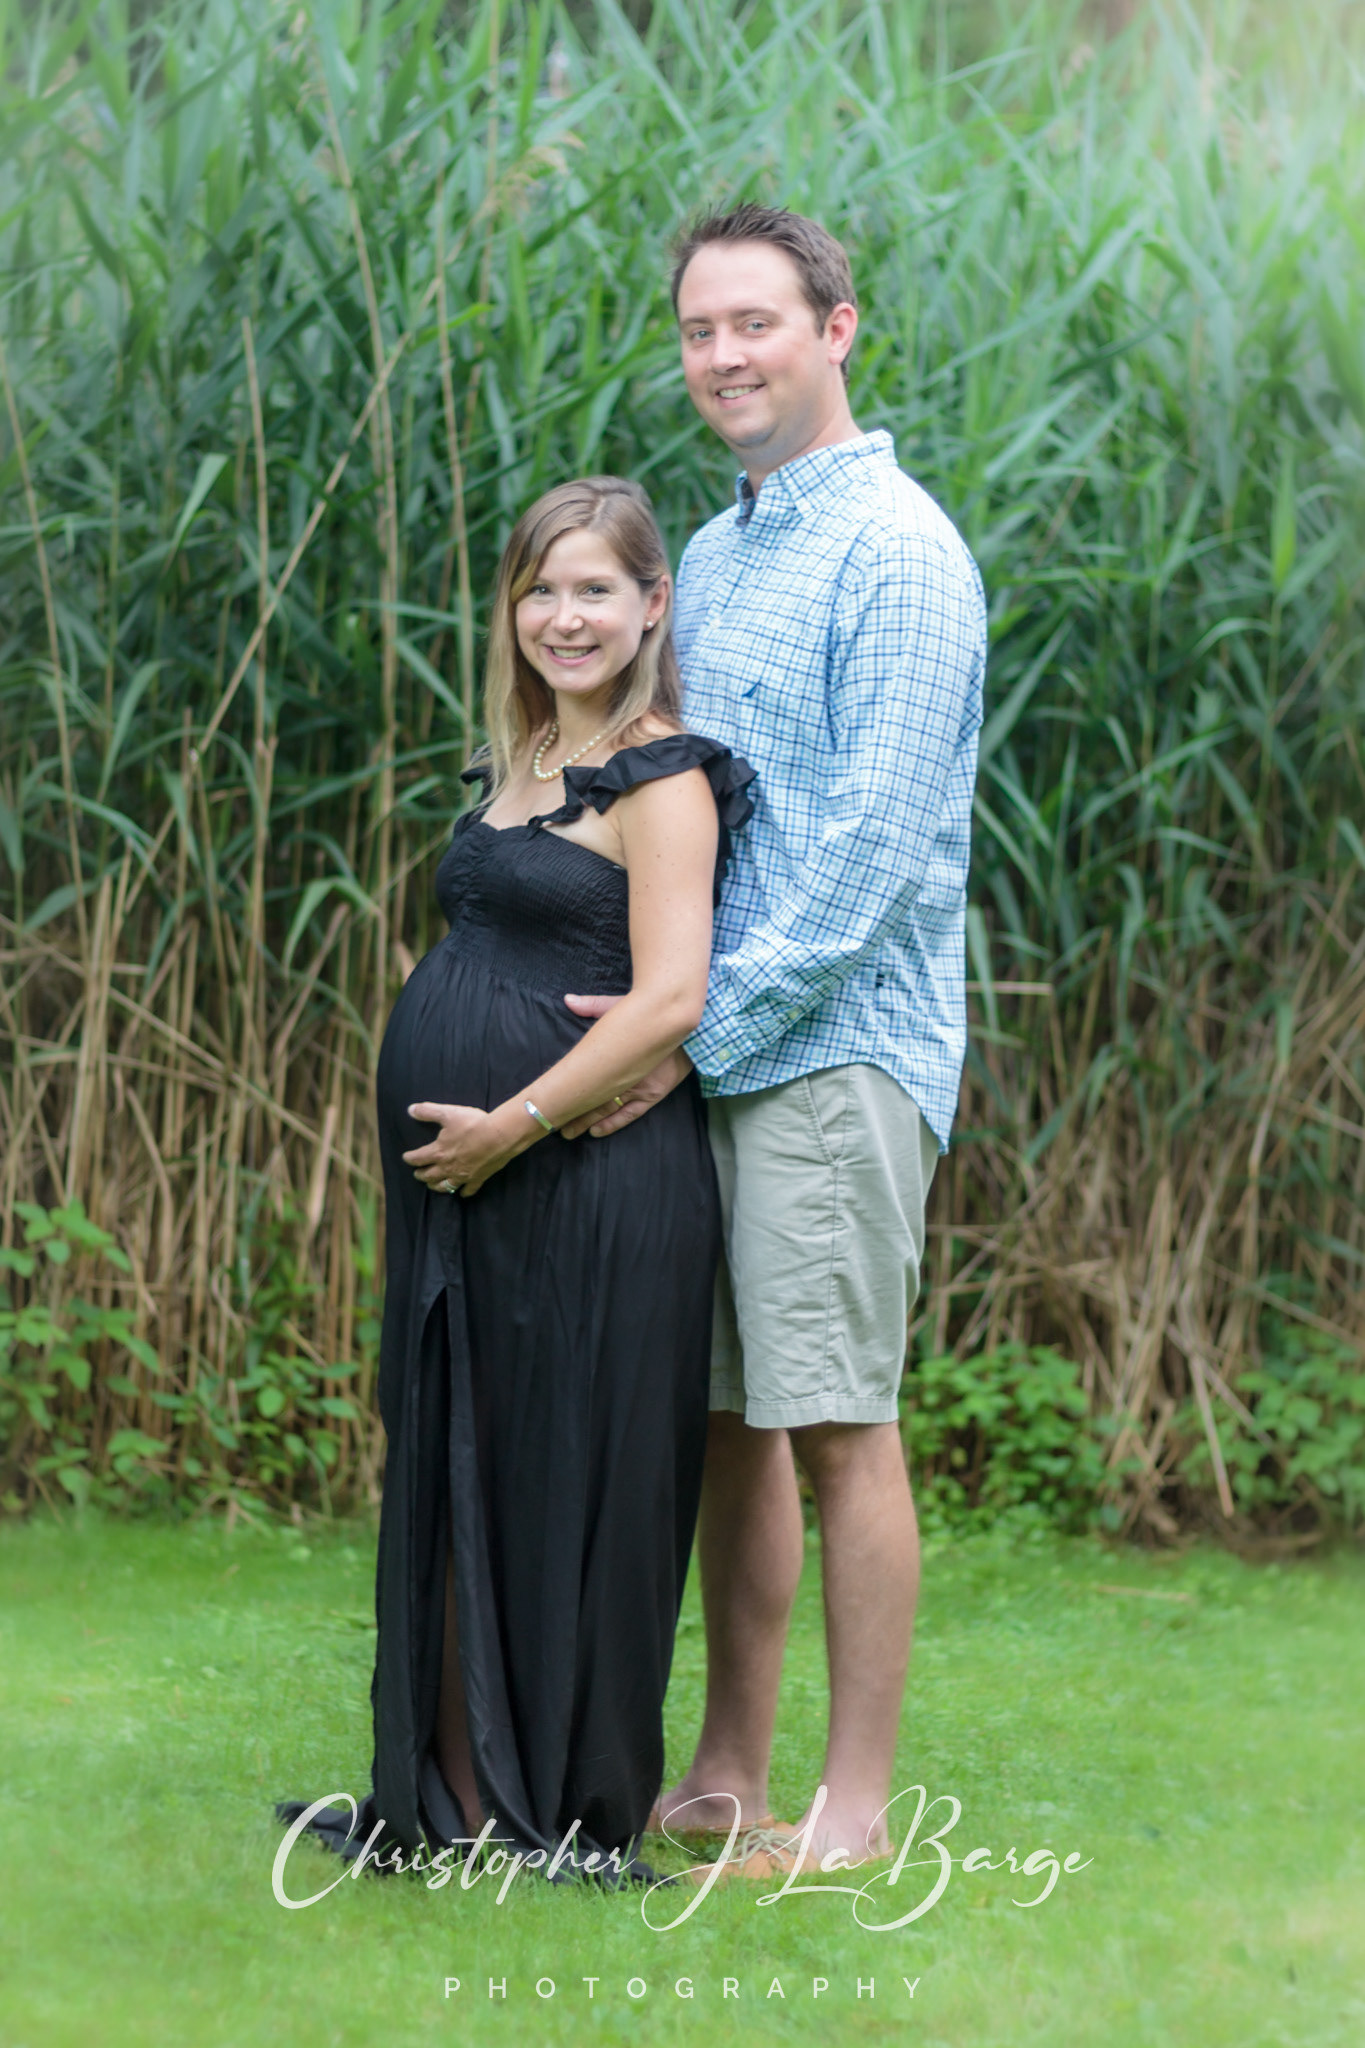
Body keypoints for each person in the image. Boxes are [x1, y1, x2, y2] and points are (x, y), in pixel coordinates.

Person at [564, 206, 987, 1878]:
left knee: (834, 1420)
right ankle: (724, 1775)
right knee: (729, 1427)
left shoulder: (896, 552)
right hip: (713, 1044)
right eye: (698, 329)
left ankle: (853, 1811)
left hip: (829, 1053)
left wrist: (691, 1035)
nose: (723, 355)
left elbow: (869, 856)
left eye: (755, 322)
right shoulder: (721, 552)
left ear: (835, 329)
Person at [279, 476, 753, 1883]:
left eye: (595, 589)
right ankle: (449, 1783)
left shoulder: (661, 776)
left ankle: (540, 1795)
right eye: (540, 590)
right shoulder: (528, 754)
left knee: (562, 1463)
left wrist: (516, 1122)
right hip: (472, 1190)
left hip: (587, 1181)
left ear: (653, 604)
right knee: (462, 1448)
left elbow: (671, 997)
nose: (564, 616)